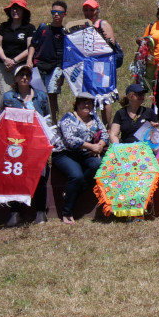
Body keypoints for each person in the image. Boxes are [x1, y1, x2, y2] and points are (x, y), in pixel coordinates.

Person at [1, 65, 52, 226]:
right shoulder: (8, 97)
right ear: (15, 78)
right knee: (16, 178)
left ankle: (40, 212)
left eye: (27, 75)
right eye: (21, 75)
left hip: (37, 144)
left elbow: (48, 118)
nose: (24, 77)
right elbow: (1, 121)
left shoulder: (41, 96)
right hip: (16, 145)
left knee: (40, 177)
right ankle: (15, 213)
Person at [51, 92, 106, 223]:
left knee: (98, 165)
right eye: (83, 102)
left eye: (90, 103)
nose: (86, 105)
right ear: (76, 104)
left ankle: (75, 190)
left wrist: (99, 145)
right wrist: (92, 147)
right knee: (76, 176)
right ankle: (67, 212)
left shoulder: (95, 118)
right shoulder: (68, 118)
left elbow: (104, 133)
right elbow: (71, 140)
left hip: (85, 153)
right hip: (64, 153)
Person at [31, 0, 68, 119]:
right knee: (36, 95)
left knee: (52, 96)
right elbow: (33, 44)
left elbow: (66, 55)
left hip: (55, 67)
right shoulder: (43, 27)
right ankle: (38, 121)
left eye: (59, 12)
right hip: (38, 65)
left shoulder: (65, 33)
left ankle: (54, 122)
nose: (56, 14)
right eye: (53, 12)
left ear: (64, 14)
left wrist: (63, 75)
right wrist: (29, 62)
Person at [0, 0, 35, 95]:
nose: (15, 11)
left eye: (18, 9)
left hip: (21, 66)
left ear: (24, 11)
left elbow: (30, 47)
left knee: (23, 94)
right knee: (6, 94)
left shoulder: (29, 28)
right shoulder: (4, 26)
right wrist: (5, 60)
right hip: (5, 66)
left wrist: (15, 61)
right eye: (13, 9)